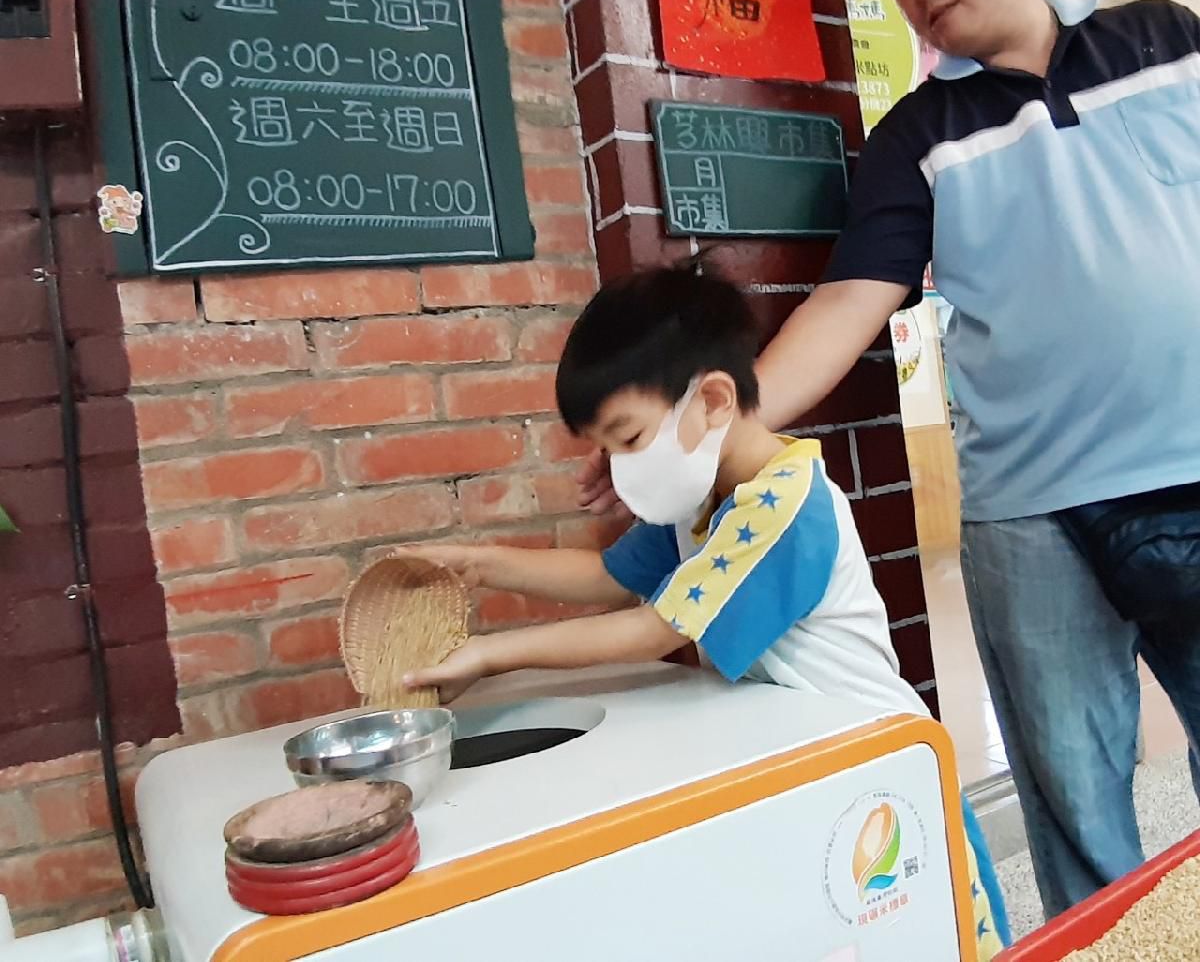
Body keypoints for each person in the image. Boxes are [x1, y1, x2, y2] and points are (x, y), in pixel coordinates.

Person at [576, 0, 1200, 923]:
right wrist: (689, 434)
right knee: (1076, 805)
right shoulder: (915, 135)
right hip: (1032, 514)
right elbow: (845, 307)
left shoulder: (1163, 38)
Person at [403, 261, 1010, 957]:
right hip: (802, 750)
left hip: (876, 757)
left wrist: (489, 655)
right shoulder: (701, 499)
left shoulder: (784, 505)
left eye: (629, 439)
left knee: (937, 931)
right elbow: (608, 577)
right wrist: (480, 564)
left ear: (714, 400)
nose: (620, 469)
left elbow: (653, 628)